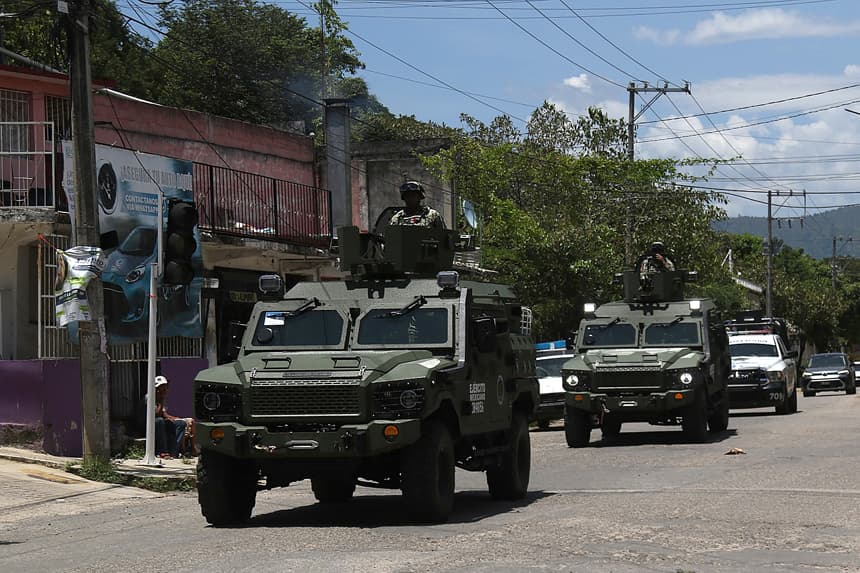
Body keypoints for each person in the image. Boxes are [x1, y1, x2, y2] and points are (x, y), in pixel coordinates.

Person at [154, 375, 195, 458]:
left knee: (181, 423)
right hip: (150, 425)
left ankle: (174, 451)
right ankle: (163, 451)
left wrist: (176, 419)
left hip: (161, 423)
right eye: (162, 388)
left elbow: (164, 414)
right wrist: (161, 400)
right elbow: (157, 414)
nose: (165, 390)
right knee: (159, 421)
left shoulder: (162, 399)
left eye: (165, 388)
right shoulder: (150, 398)